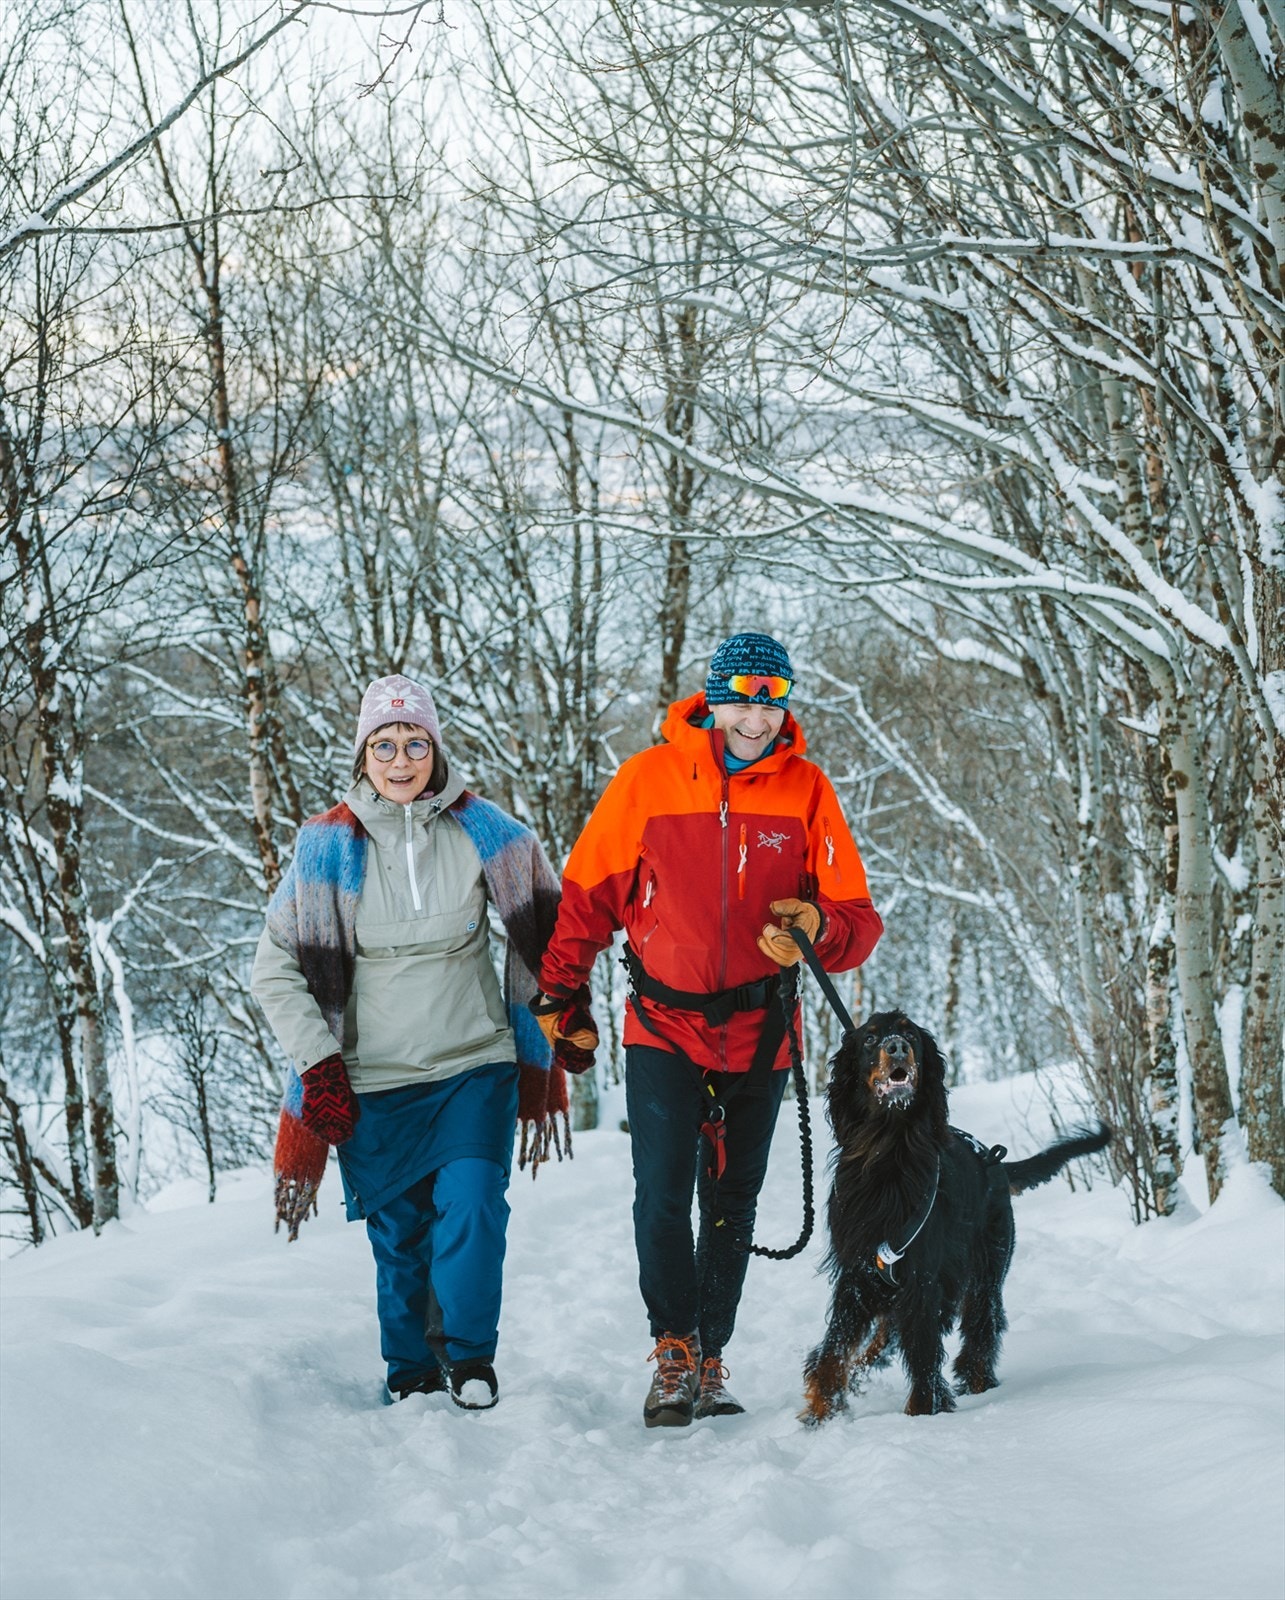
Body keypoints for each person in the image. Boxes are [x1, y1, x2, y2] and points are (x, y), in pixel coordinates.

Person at [530, 632, 881, 1427]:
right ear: (712, 700)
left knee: (732, 1199)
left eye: (772, 701)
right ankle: (672, 1350)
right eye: (742, 700)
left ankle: (712, 1353)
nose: (755, 719)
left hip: (761, 1031)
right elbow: (588, 898)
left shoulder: (807, 790)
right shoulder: (646, 780)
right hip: (661, 1023)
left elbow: (858, 922)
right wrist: (559, 993)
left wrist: (815, 924)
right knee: (659, 1194)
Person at [253, 674, 590, 1409]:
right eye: (384, 745)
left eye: (414, 743)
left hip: (472, 1062)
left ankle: (471, 1359)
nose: (400, 759)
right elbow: (272, 970)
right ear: (362, 756)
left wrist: (567, 1013)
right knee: (400, 1236)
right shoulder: (322, 850)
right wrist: (319, 1062)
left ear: (435, 752)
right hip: (371, 1076)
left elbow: (552, 932)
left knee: (471, 1205)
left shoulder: (489, 833)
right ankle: (408, 1368)